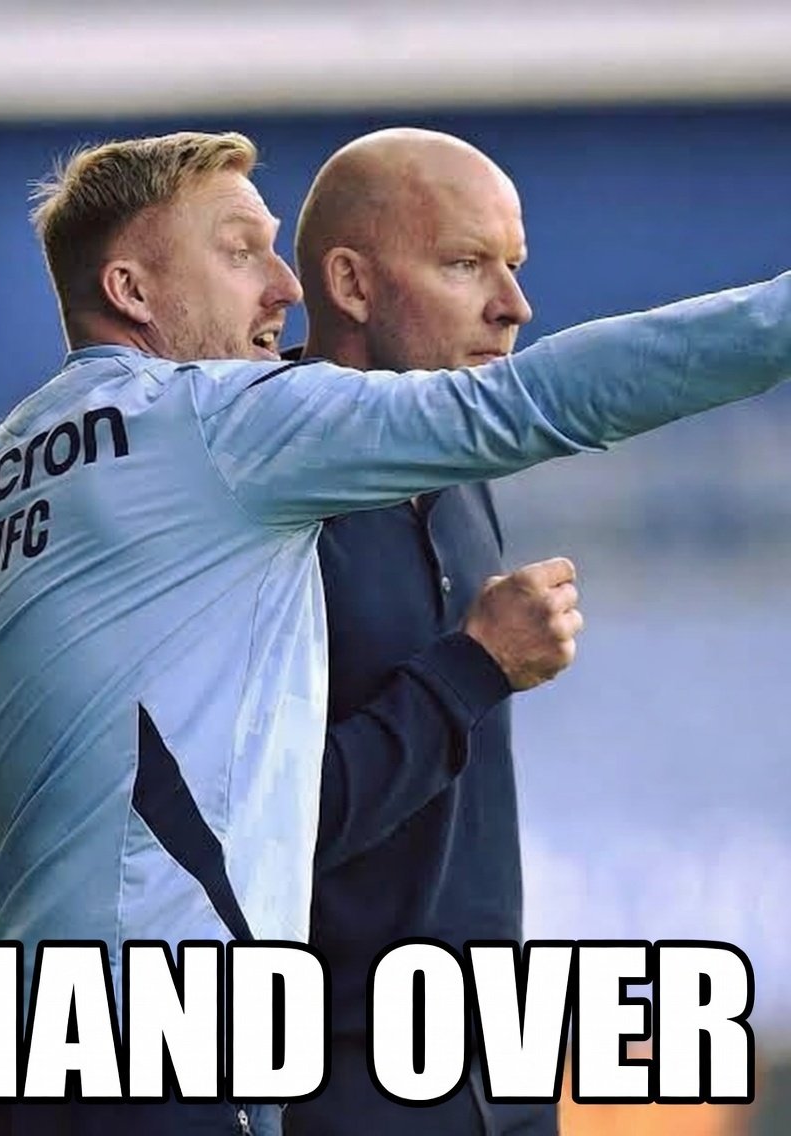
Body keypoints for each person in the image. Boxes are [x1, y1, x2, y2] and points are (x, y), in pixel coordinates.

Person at [0, 127, 790, 1136]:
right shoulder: (215, 425)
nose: (284, 286)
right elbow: (530, 400)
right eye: (240, 252)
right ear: (132, 290)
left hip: (26, 1066)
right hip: (185, 1058)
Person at [284, 127, 568, 1136]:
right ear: (351, 284)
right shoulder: (258, 506)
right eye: (464, 264)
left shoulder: (457, 459)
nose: (514, 306)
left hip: (501, 1067)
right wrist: (473, 666)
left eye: (514, 265)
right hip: (340, 1086)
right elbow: (263, 823)